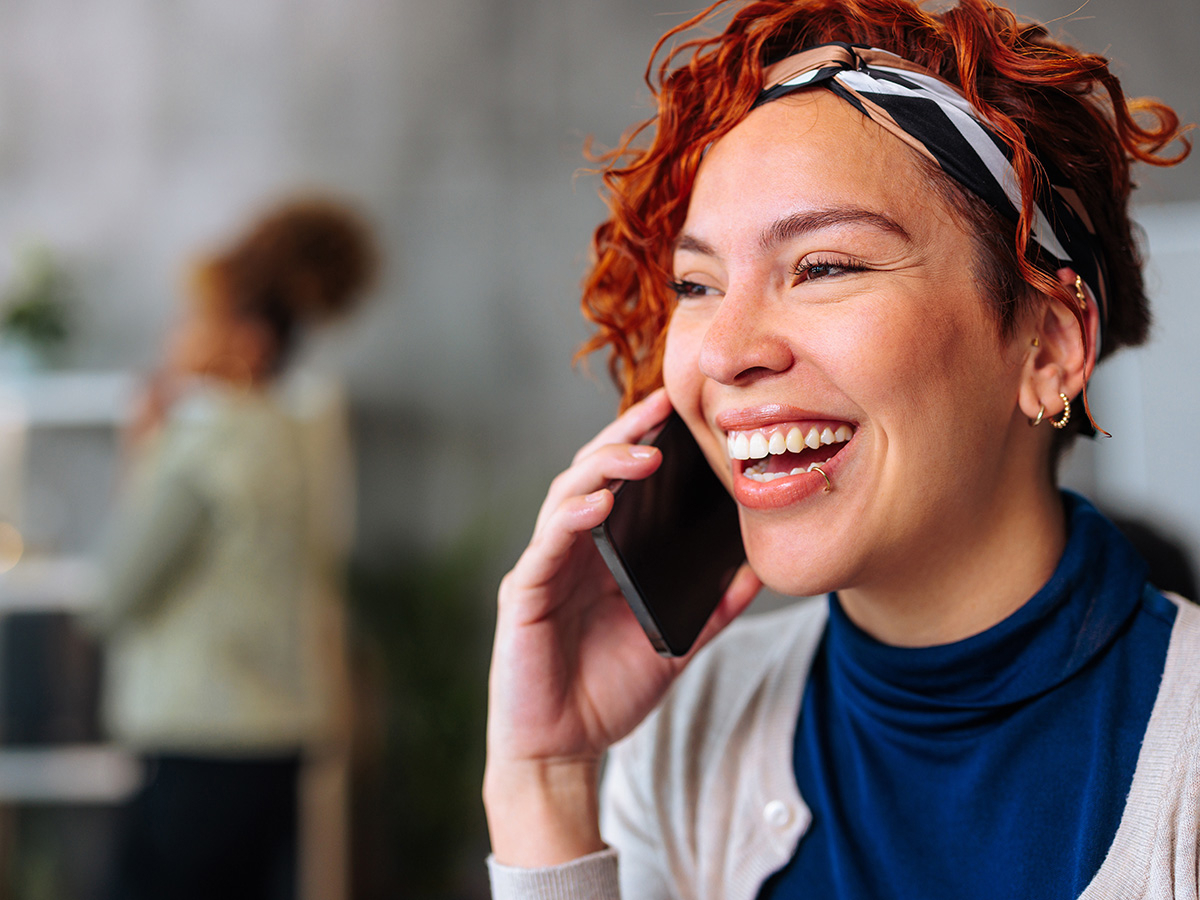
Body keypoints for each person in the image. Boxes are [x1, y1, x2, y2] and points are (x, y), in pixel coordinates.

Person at [483, 1, 1196, 898]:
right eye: (696, 284)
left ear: (1048, 347)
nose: (728, 352)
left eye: (823, 266)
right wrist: (544, 782)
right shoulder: (686, 734)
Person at [92, 197, 376, 900]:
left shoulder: (204, 442)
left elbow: (116, 592)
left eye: (195, 317)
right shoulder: (304, 434)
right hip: (281, 736)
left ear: (247, 340)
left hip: (199, 740)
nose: (175, 335)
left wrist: (143, 450)